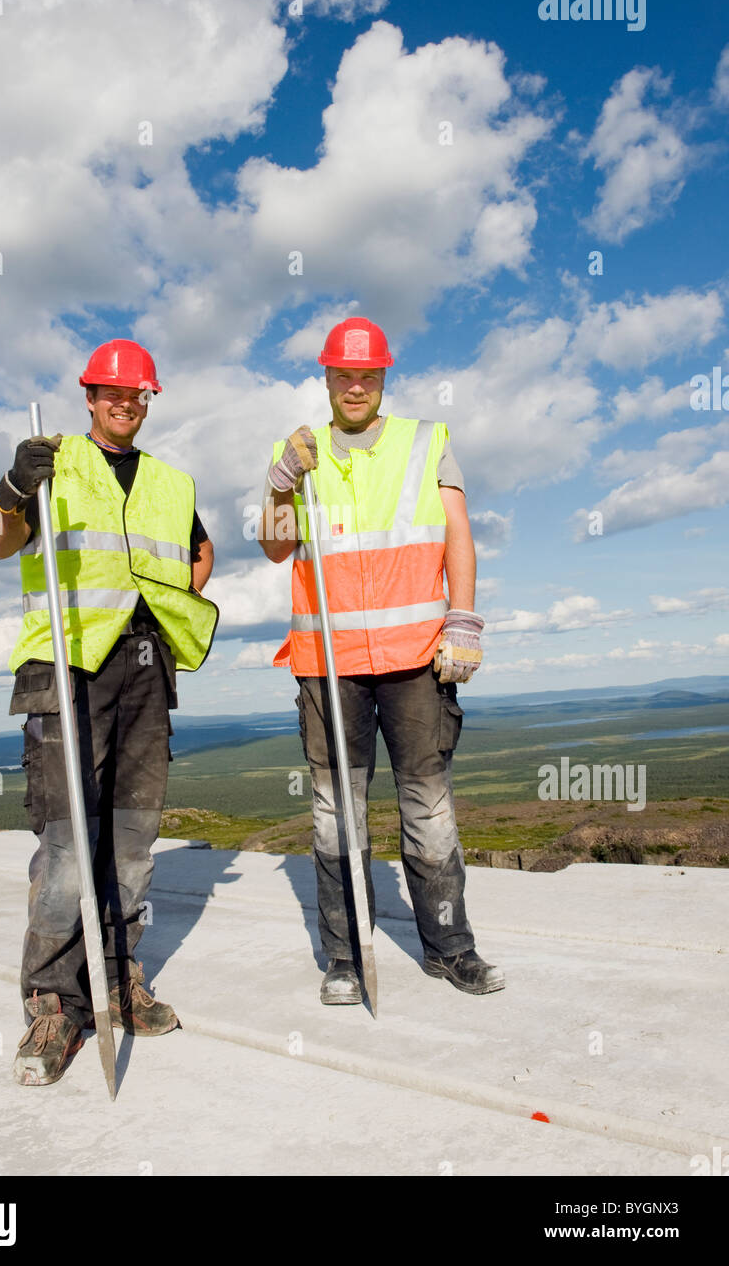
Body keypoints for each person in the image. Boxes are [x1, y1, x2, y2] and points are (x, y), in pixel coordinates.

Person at [0, 339, 218, 1085]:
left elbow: (200, 554)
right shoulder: (50, 461)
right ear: (89, 396)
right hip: (67, 664)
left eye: (138, 394)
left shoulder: (171, 482)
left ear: (149, 399)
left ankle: (118, 977)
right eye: (112, 392)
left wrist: (165, 604)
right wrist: (17, 489)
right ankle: (55, 1002)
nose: (126, 403)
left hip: (145, 667)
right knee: (64, 845)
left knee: (130, 841)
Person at [258, 318, 503, 1004]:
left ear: (383, 378)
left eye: (368, 375)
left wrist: (464, 618)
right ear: (328, 378)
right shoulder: (299, 452)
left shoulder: (426, 443)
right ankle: (343, 957)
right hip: (327, 663)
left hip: (416, 659)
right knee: (338, 813)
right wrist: (280, 483)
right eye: (344, 374)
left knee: (428, 808)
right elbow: (276, 548)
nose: (356, 386)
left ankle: (451, 949)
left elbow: (457, 532)